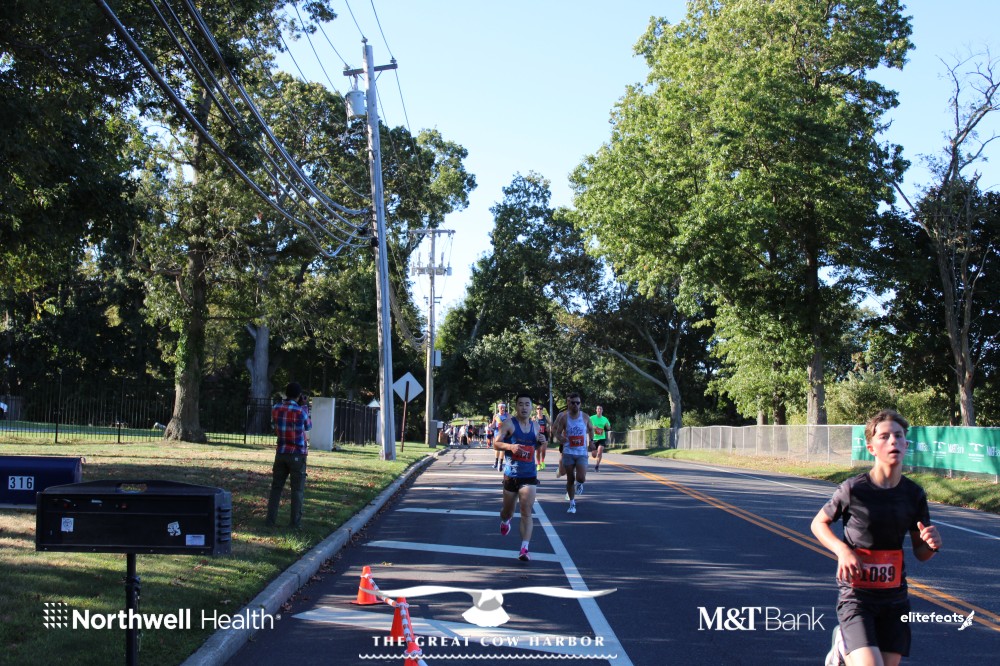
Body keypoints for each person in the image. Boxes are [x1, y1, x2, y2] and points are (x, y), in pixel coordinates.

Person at [810, 409, 942, 666]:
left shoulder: (914, 494)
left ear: (906, 444)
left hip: (894, 598)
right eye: (884, 436)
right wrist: (843, 550)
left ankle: (844, 649)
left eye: (898, 436)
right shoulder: (854, 489)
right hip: (857, 596)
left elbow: (921, 553)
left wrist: (932, 545)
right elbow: (818, 523)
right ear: (871, 448)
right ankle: (845, 644)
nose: (893, 441)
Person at [495, 393, 546, 561]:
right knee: (507, 511)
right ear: (516, 407)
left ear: (531, 407)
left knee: (526, 511)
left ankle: (524, 548)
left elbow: (534, 446)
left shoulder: (536, 426)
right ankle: (505, 521)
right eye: (521, 404)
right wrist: (510, 447)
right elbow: (496, 443)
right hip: (511, 474)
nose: (524, 407)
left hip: (529, 474)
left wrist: (541, 442)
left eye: (527, 404)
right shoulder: (509, 424)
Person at [266, 382, 312, 527]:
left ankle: (270, 520)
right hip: (297, 453)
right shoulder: (300, 411)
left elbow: (274, 425)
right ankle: (295, 523)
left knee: (276, 488)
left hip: (281, 451)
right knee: (297, 490)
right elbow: (308, 426)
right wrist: (304, 406)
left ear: (286, 393)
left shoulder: (276, 408)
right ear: (299, 395)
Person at [550, 392, 594, 514]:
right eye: (573, 403)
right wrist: (560, 438)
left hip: (582, 452)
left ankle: (579, 484)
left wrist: (591, 442)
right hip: (568, 452)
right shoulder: (563, 417)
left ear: (580, 404)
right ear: (568, 404)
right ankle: (572, 503)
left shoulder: (585, 417)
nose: (575, 405)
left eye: (577, 403)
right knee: (570, 478)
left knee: (581, 477)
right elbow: (557, 431)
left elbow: (591, 429)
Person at [589, 405, 611, 472]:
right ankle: (594, 454)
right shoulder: (591, 418)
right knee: (594, 455)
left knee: (600, 452)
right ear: (596, 410)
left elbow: (609, 428)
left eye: (600, 409)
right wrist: (593, 427)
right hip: (594, 438)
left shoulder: (605, 419)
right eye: (598, 409)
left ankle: (597, 466)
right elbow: (587, 425)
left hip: (602, 437)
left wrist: (607, 426)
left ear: (602, 410)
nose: (599, 410)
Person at [491, 402, 509, 470]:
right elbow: (493, 424)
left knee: (502, 449)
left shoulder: (507, 415)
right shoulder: (496, 416)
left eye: (503, 407)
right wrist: (491, 426)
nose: (502, 408)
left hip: (504, 434)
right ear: (498, 408)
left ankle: (500, 464)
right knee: (497, 449)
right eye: (501, 407)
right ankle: (496, 462)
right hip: (497, 434)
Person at [534, 404, 549, 470]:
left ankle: (542, 461)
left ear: (542, 410)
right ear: (536, 410)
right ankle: (538, 464)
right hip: (537, 436)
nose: (539, 410)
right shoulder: (534, 417)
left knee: (543, 451)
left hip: (544, 436)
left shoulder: (545, 417)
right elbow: (531, 425)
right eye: (538, 409)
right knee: (538, 451)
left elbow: (551, 424)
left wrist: (548, 428)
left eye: (540, 409)